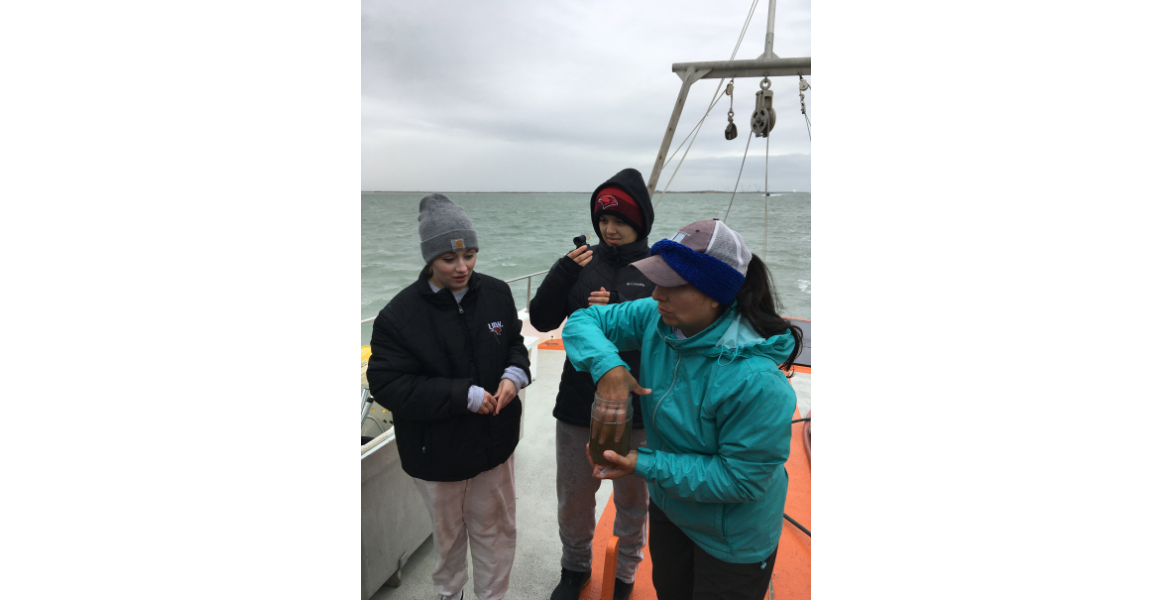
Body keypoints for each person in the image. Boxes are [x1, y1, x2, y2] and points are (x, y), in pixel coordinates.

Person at [563, 218, 804, 600]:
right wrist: (607, 366)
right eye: (657, 280)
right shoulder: (656, 318)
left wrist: (642, 463)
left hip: (732, 539)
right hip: (671, 509)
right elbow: (583, 320)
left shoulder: (757, 381)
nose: (657, 294)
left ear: (716, 294)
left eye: (673, 285)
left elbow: (741, 479)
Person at [366, 194, 530, 600]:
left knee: (497, 530)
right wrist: (463, 395)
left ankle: (492, 595)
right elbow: (387, 383)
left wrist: (515, 373)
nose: (462, 267)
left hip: (494, 444)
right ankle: (449, 593)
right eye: (448, 259)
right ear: (429, 258)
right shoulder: (397, 316)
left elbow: (514, 342)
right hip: (435, 453)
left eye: (469, 255)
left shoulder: (497, 293)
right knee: (448, 535)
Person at [528, 168, 655, 600]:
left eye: (620, 220)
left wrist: (618, 306)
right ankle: (575, 568)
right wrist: (563, 272)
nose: (609, 229)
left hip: (640, 407)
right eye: (603, 220)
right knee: (574, 498)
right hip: (578, 403)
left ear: (640, 222)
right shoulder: (581, 264)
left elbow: (668, 329)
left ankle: (624, 574)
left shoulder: (658, 269)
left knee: (633, 501)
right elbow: (542, 319)